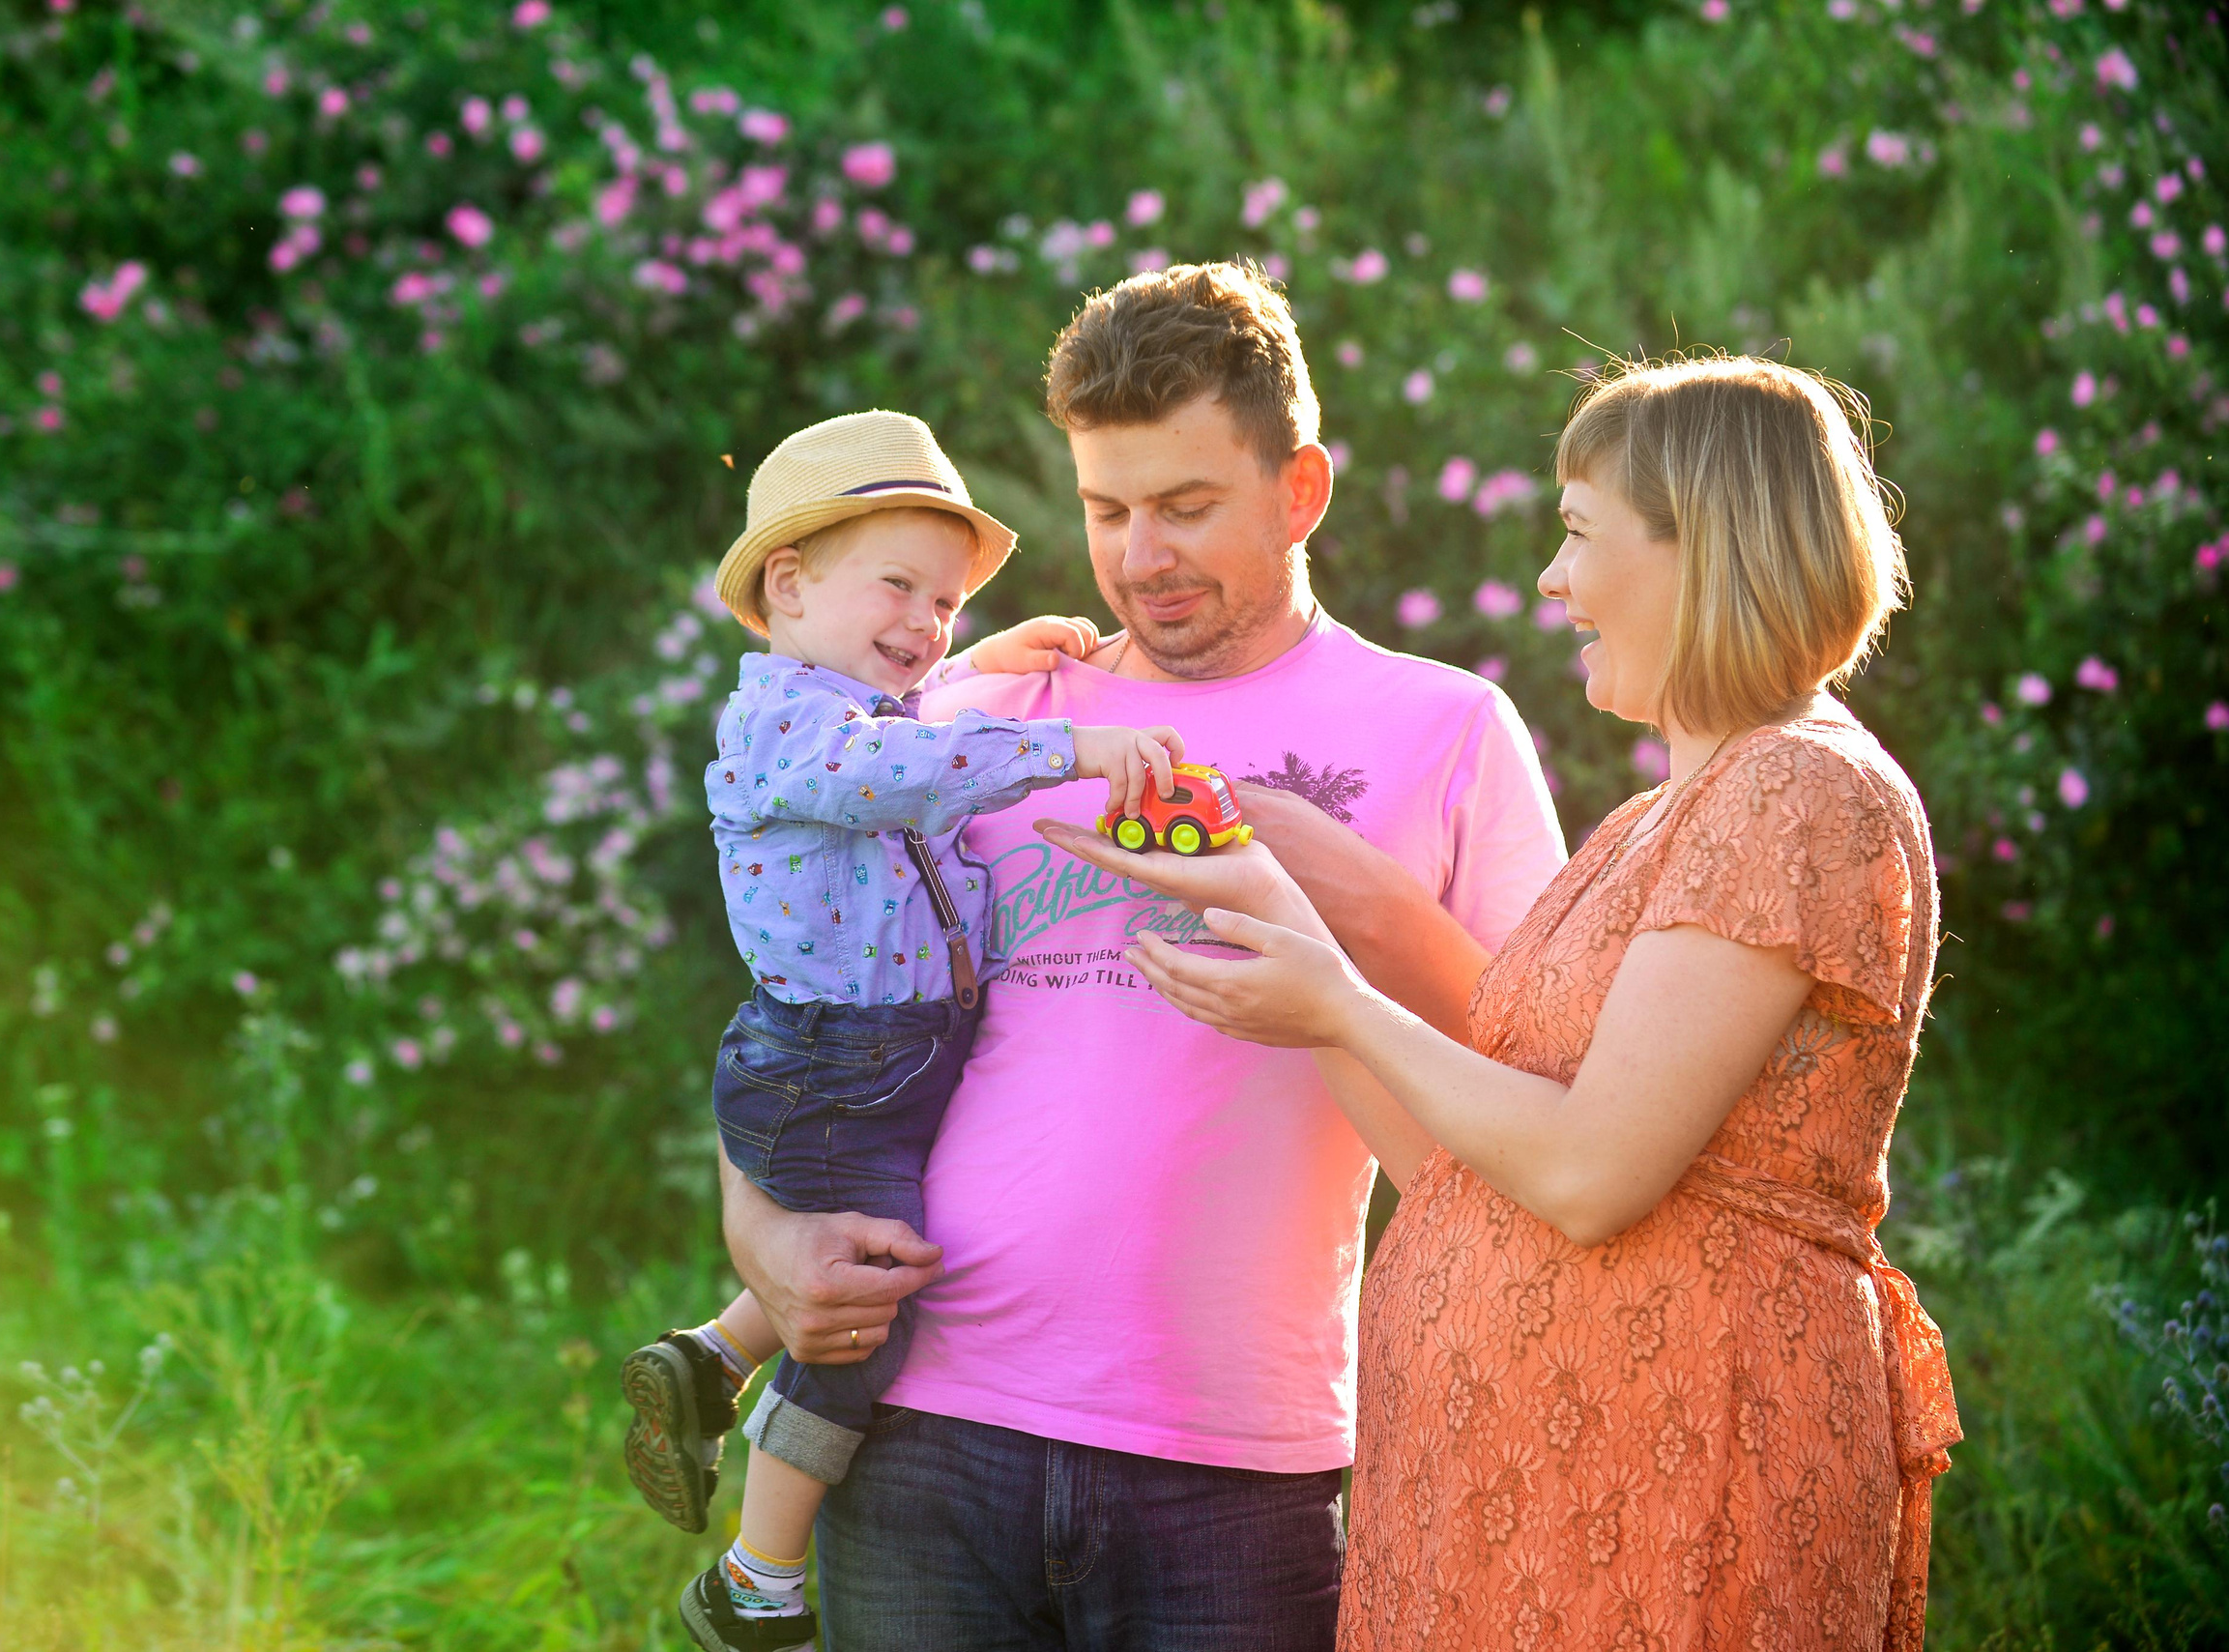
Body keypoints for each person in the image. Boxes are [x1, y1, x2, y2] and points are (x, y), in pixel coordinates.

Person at [1039, 353, 1962, 1649]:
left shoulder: (1793, 791)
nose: (1551, 579)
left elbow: (1592, 1171)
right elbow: (1462, 1162)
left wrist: (1344, 1006)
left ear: (1704, 544)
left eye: (1580, 534)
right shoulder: (1652, 818)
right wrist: (1271, 907)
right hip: (1522, 1479)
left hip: (1679, 1453)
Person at [720, 263, 1568, 1649]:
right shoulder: (980, 704)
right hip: (924, 1422)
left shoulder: (1447, 729)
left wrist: (1323, 876)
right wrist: (762, 1234)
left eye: (1185, 507)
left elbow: (1543, 1071)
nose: (1139, 555)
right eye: (1108, 510)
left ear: (1300, 491)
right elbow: (804, 1001)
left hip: (1237, 1463)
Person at [621, 407, 1189, 1652]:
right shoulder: (783, 724)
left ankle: (712, 1361)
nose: (928, 627)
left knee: (859, 1248)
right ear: (789, 581)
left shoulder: (878, 704)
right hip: (832, 1068)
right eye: (901, 589)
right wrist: (1067, 742)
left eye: (945, 604)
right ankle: (755, 1576)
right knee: (864, 1306)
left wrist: (984, 664)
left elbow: (913, 725)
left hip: (884, 1058)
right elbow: (889, 771)